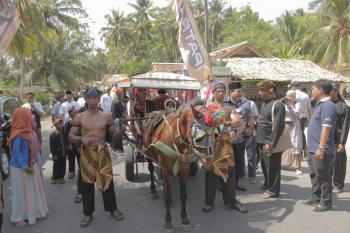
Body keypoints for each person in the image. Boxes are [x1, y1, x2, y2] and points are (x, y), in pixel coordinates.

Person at [68, 87, 125, 227]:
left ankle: (113, 209)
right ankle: (88, 214)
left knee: (107, 181)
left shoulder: (106, 116)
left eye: (95, 98)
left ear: (99, 99)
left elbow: (113, 134)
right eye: (90, 98)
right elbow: (70, 137)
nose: (92, 100)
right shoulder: (79, 117)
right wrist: (81, 139)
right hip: (87, 153)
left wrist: (121, 130)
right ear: (86, 100)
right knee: (87, 184)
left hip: (102, 152)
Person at [202, 82, 247, 213]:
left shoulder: (229, 107)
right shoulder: (208, 107)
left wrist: (225, 123)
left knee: (230, 173)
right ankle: (209, 202)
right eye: (218, 91)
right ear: (213, 93)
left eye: (223, 91)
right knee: (211, 173)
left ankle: (231, 201)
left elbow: (238, 122)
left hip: (227, 144)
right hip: (211, 144)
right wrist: (227, 123)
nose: (220, 94)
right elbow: (208, 125)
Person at [8, 108, 49, 227]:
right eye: (28, 116)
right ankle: (18, 217)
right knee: (20, 193)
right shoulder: (18, 134)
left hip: (28, 166)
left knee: (30, 191)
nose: (30, 118)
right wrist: (26, 167)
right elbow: (16, 153)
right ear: (23, 118)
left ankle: (31, 213)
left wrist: (32, 164)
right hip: (19, 168)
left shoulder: (27, 131)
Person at [301, 79, 336, 212]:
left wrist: (321, 148)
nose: (312, 90)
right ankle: (316, 197)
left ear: (321, 90)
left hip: (321, 149)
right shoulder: (319, 104)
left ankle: (326, 202)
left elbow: (326, 129)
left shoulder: (328, 105)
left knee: (323, 175)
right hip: (313, 148)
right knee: (314, 175)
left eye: (314, 88)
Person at [256, 80, 286, 199]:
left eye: (262, 90)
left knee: (272, 167)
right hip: (261, 141)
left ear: (271, 90)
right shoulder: (264, 104)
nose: (260, 92)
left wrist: (271, 143)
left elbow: (278, 126)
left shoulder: (278, 105)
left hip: (269, 142)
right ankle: (267, 184)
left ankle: (273, 191)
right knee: (264, 166)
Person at [226, 82, 254, 191]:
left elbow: (250, 118)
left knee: (238, 164)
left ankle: (235, 184)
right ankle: (223, 184)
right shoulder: (224, 103)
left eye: (241, 91)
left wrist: (251, 130)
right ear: (231, 92)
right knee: (226, 163)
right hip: (226, 140)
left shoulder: (247, 103)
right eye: (238, 91)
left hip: (240, 139)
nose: (240, 93)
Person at [330, 83, 350, 194]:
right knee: (326, 163)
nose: (330, 92)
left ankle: (338, 185)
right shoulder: (325, 104)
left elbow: (345, 126)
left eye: (332, 90)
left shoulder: (344, 107)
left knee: (338, 164)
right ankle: (326, 183)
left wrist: (342, 142)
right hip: (325, 139)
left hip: (337, 140)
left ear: (336, 91)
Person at [63, 107, 83, 202]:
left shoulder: (82, 123)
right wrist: (68, 146)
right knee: (74, 163)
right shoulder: (68, 124)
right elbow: (65, 136)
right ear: (70, 115)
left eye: (75, 112)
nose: (74, 114)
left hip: (82, 149)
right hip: (72, 147)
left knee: (83, 168)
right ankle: (80, 192)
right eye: (72, 113)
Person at [281, 90, 303, 175]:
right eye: (288, 95)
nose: (289, 97)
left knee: (295, 146)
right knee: (282, 145)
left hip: (293, 126)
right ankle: (282, 163)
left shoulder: (297, 105)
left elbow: (296, 115)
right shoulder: (283, 104)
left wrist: (289, 105)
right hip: (284, 126)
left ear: (294, 97)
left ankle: (298, 167)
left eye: (291, 96)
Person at [290, 81, 312, 155]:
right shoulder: (306, 95)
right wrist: (311, 119)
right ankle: (304, 149)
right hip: (303, 116)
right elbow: (309, 108)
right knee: (301, 132)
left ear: (293, 86)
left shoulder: (291, 94)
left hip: (293, 116)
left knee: (294, 133)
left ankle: (296, 149)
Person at [245, 99, 259, 183]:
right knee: (237, 155)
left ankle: (252, 175)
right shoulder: (230, 103)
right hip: (236, 134)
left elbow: (256, 118)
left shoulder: (250, 103)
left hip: (249, 131)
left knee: (251, 154)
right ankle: (240, 174)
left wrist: (253, 133)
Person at [50, 118, 66, 184]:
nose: (61, 125)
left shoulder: (63, 132)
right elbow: (52, 145)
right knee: (56, 166)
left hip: (63, 153)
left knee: (63, 165)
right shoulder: (53, 134)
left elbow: (66, 141)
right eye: (59, 124)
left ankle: (61, 177)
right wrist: (54, 154)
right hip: (56, 153)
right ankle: (54, 178)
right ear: (55, 125)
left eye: (62, 124)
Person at [111, 87, 126, 152]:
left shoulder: (113, 101)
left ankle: (117, 147)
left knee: (117, 134)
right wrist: (124, 105)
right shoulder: (118, 102)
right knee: (119, 135)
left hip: (114, 119)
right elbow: (123, 109)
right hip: (118, 119)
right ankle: (119, 148)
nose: (123, 95)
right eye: (122, 94)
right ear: (120, 94)